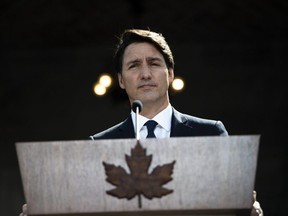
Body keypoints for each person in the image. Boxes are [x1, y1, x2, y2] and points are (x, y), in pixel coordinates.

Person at [19, 29, 263, 216]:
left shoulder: (210, 133)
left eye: (154, 63)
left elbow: (231, 203)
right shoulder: (98, 145)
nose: (145, 73)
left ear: (170, 74)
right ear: (121, 80)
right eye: (134, 65)